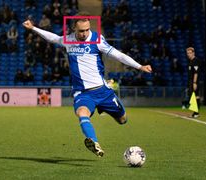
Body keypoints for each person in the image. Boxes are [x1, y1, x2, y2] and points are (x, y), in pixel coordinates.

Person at [22, 13, 152, 157]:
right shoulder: (69, 40)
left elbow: (118, 55)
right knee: (81, 113)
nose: (84, 33)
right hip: (82, 93)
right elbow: (53, 38)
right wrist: (33, 28)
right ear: (74, 29)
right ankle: (94, 143)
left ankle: (109, 108)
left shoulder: (97, 40)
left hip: (103, 91)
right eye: (81, 31)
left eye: (87, 30)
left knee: (123, 120)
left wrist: (140, 66)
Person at [186, 47, 201, 118]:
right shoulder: (190, 61)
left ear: (193, 53)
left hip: (194, 81)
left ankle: (196, 113)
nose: (188, 54)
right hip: (190, 81)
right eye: (187, 53)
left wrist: (194, 82)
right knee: (193, 97)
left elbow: (196, 72)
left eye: (190, 53)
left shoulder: (195, 61)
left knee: (195, 96)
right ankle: (195, 112)